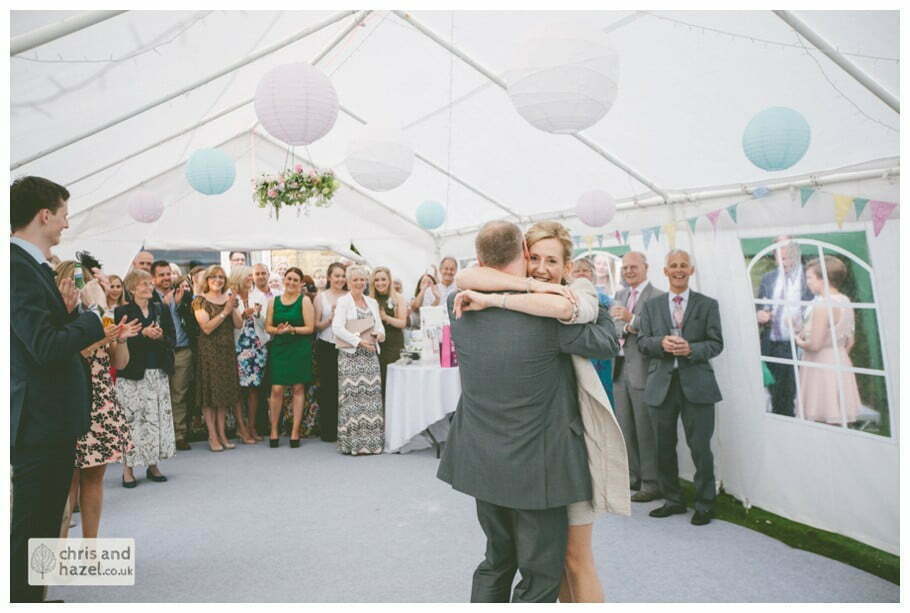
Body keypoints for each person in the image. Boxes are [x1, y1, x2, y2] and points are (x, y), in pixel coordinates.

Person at [453, 220, 627, 603]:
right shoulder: (549, 321)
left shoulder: (460, 304)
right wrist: (587, 298)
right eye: (536, 258)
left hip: (484, 460)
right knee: (540, 576)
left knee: (496, 561)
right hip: (539, 469)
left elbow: (470, 274)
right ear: (525, 255)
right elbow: (607, 341)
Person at [10, 176, 109, 602]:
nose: (67, 225)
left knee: (47, 515)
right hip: (40, 420)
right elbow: (46, 348)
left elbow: (41, 335)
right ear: (44, 214)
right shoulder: (16, 266)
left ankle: (31, 594)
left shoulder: (32, 266)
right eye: (65, 215)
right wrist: (94, 310)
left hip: (49, 416)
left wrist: (70, 313)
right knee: (34, 520)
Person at [637, 249, 723, 526]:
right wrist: (660, 343)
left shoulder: (708, 304)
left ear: (691, 270)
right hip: (661, 386)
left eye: (683, 265)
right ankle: (673, 500)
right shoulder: (651, 307)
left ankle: (705, 503)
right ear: (665, 271)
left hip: (697, 386)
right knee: (663, 447)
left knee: (700, 447)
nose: (678, 270)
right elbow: (642, 343)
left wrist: (691, 349)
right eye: (673, 265)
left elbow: (716, 343)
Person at [55, 260, 140, 536]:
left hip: (101, 400)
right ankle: (60, 547)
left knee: (95, 477)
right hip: (69, 399)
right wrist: (104, 338)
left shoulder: (102, 315)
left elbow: (121, 362)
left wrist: (121, 339)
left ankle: (91, 548)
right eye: (83, 282)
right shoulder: (60, 317)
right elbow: (67, 354)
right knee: (66, 480)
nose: (90, 288)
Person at [608, 251, 665, 503]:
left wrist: (632, 321)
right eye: (625, 268)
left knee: (645, 429)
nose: (628, 271)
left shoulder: (658, 297)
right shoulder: (619, 295)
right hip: (619, 369)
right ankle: (632, 475)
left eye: (633, 267)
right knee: (625, 427)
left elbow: (658, 329)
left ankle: (651, 483)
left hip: (643, 371)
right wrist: (627, 326)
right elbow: (613, 327)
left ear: (646, 267)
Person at [115, 270, 178, 487]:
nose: (148, 287)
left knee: (154, 420)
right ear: (132, 288)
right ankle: (127, 469)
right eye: (143, 284)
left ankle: (153, 465)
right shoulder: (122, 311)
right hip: (132, 374)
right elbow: (119, 342)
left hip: (157, 372)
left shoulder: (161, 309)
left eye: (150, 283)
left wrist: (160, 336)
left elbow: (173, 339)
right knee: (132, 419)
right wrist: (142, 334)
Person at [794, 256, 862, 425]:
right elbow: (850, 341)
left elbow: (815, 345)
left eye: (810, 277)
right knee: (837, 417)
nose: (807, 282)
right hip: (840, 360)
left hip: (820, 365)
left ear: (823, 279)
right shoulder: (845, 301)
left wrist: (797, 340)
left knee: (820, 418)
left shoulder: (823, 305)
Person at [756, 237, 813, 417]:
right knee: (771, 393)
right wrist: (759, 315)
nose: (784, 262)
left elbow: (817, 308)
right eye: (780, 257)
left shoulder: (810, 277)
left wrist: (801, 322)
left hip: (796, 345)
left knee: (790, 394)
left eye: (788, 257)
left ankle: (789, 427)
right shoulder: (768, 278)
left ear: (797, 255)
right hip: (769, 343)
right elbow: (759, 305)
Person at [332, 265, 386, 455]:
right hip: (351, 356)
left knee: (371, 398)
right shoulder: (343, 302)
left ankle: (372, 444)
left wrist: (379, 335)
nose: (359, 283)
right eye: (355, 279)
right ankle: (353, 444)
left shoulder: (371, 302)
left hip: (370, 356)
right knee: (352, 399)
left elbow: (380, 327)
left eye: (362, 279)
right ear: (348, 281)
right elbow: (337, 328)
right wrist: (358, 341)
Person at [192, 265, 243, 452]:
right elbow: (206, 327)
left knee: (223, 394)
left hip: (226, 351)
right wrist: (225, 311)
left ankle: (222, 434)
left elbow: (238, 325)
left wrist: (233, 308)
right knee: (209, 396)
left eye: (221, 277)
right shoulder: (199, 301)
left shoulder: (228, 299)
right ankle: (212, 435)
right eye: (213, 276)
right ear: (206, 280)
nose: (217, 280)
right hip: (209, 352)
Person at [265, 267, 316, 447]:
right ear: (284, 279)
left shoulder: (305, 301)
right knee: (277, 389)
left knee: (298, 389)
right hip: (279, 348)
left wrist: (293, 329)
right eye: (289, 279)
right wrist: (278, 330)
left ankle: (295, 431)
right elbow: (268, 327)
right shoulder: (274, 301)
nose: (291, 283)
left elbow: (310, 328)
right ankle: (274, 429)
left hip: (299, 347)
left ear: (301, 283)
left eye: (295, 280)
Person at [151, 260, 196, 450]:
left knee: (179, 395)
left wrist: (180, 305)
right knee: (160, 395)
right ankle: (161, 435)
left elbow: (192, 322)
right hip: (161, 351)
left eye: (168, 274)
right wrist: (165, 304)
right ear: (154, 278)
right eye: (161, 274)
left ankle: (179, 435)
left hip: (182, 350)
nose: (166, 278)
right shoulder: (150, 296)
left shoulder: (183, 294)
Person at [229, 266, 268, 444]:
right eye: (247, 277)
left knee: (254, 387)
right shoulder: (230, 296)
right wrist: (242, 315)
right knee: (238, 388)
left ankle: (252, 426)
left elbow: (266, 321)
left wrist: (257, 314)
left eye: (250, 277)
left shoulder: (258, 296)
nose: (250, 279)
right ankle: (241, 427)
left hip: (257, 344)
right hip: (238, 345)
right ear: (238, 278)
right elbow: (230, 324)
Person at [571, 257, 616, 407]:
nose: (581, 274)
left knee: (603, 394)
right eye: (577, 271)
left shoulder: (603, 299)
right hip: (577, 351)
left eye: (585, 270)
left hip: (599, 353)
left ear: (592, 274)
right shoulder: (567, 296)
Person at [313, 262, 348, 442]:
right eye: (337, 276)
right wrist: (331, 318)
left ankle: (346, 428)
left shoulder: (350, 296)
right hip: (327, 345)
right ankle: (328, 430)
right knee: (328, 388)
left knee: (346, 388)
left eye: (343, 276)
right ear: (329, 277)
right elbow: (316, 325)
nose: (340, 279)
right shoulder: (321, 297)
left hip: (346, 346)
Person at [371, 266, 408, 395]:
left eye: (383, 279)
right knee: (379, 383)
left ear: (389, 281)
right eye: (376, 280)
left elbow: (403, 323)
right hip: (376, 346)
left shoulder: (398, 298)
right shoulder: (370, 299)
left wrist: (386, 318)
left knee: (393, 382)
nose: (380, 283)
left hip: (393, 344)